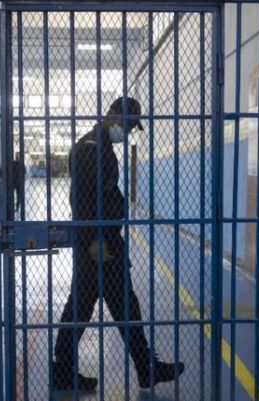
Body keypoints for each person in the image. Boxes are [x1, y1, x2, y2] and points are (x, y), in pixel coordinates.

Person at [53, 97, 184, 391]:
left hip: (104, 243)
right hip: (98, 247)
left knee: (113, 306)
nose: (128, 131)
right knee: (90, 308)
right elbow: (82, 200)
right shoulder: (91, 149)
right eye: (127, 124)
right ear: (112, 115)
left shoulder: (101, 147)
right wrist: (94, 240)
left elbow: (102, 196)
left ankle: (143, 368)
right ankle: (141, 368)